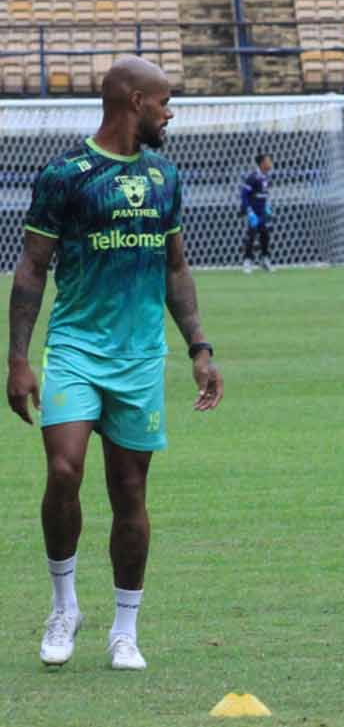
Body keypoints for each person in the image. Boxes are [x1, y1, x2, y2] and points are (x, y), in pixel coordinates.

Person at [6, 56, 224, 671]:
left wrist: (199, 349)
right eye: (164, 102)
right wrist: (18, 360)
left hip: (139, 359)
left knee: (130, 491)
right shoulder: (65, 175)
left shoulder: (164, 177)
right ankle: (64, 606)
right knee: (65, 471)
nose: (170, 112)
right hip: (75, 348)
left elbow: (176, 268)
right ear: (133, 101)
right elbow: (31, 269)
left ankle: (124, 630)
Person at [240, 152, 273, 273]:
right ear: (262, 163)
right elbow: (244, 195)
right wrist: (249, 211)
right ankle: (247, 261)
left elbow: (264, 195)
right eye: (268, 160)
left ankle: (265, 259)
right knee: (251, 235)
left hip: (262, 211)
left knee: (265, 235)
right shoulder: (252, 177)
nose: (270, 163)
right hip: (253, 212)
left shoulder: (266, 177)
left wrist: (267, 207)